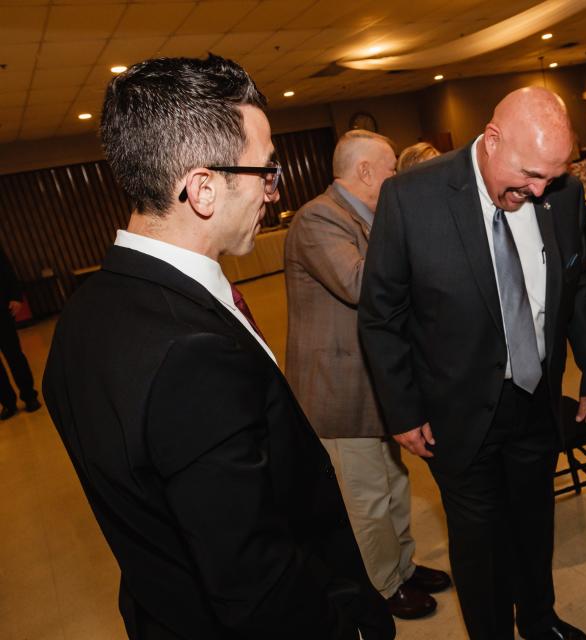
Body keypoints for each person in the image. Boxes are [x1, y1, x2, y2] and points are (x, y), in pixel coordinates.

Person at [42, 55, 394, 640]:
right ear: (203, 188)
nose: (274, 194)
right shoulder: (191, 354)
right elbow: (253, 578)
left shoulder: (82, 315)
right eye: (266, 172)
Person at [358, 86, 586, 640]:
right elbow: (380, 316)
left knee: (534, 522)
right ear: (491, 140)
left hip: (535, 397)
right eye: (529, 173)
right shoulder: (411, 197)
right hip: (454, 408)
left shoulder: (559, 192)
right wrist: (401, 411)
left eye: (553, 175)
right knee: (480, 543)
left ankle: (540, 621)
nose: (541, 189)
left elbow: (579, 283)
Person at [284, 130, 451, 621]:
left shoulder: (364, 217)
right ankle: (383, 586)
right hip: (338, 392)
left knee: (393, 486)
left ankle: (402, 566)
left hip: (373, 386)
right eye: (391, 169)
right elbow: (361, 283)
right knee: (366, 499)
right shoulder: (318, 218)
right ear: (364, 172)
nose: (396, 178)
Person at [0, 246, 41, 420]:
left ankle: (29, 396)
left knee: (14, 354)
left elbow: (5, 268)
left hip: (1, 309)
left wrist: (16, 296)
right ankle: (7, 403)